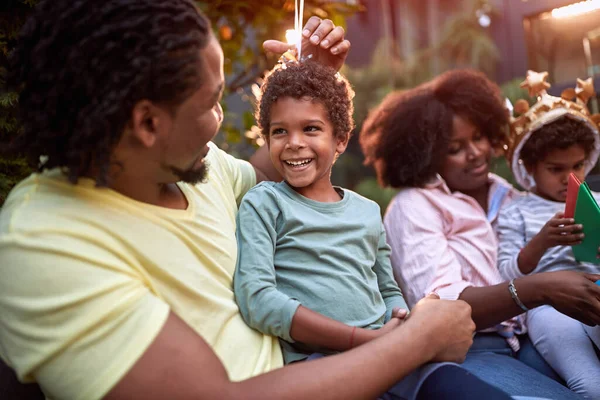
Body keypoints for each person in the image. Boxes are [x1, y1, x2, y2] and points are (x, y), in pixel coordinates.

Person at [0, 1, 476, 399]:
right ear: (148, 124)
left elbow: (280, 169)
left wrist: (311, 85)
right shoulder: (44, 241)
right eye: (211, 103)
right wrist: (418, 339)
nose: (219, 117)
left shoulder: (192, 169)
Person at [234, 61, 509, 400]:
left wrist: (400, 318)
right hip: (320, 367)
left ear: (340, 140)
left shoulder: (366, 211)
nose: (293, 143)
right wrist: (361, 339)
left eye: (310, 129)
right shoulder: (263, 203)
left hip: (398, 357)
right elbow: (258, 300)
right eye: (279, 131)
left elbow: (387, 287)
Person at [359, 68, 600, 399]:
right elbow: (440, 306)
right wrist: (540, 288)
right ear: (428, 156)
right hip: (470, 351)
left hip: (531, 339)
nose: (474, 153)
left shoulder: (509, 195)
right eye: (455, 148)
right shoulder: (414, 205)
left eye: (479, 137)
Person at [497, 72, 600, 397]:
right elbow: (507, 273)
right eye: (556, 169)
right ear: (529, 166)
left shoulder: (596, 200)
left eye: (579, 165)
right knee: (589, 385)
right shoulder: (516, 210)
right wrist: (543, 240)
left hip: (595, 287)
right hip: (547, 308)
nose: (570, 177)